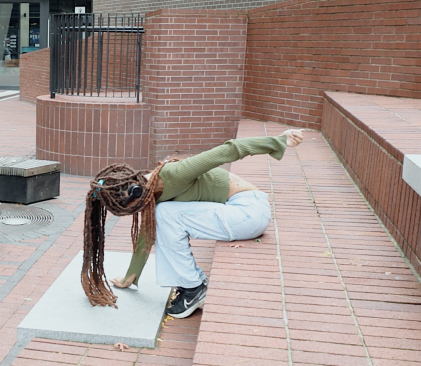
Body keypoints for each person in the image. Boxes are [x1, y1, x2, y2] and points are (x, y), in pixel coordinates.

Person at [81, 129, 306, 318]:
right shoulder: (150, 193)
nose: (135, 213)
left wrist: (278, 141)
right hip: (235, 214)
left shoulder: (173, 174)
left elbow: (228, 150)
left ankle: (193, 287)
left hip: (249, 212)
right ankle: (189, 284)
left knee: (166, 213)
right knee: (162, 214)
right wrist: (130, 277)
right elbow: (146, 235)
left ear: (135, 191)